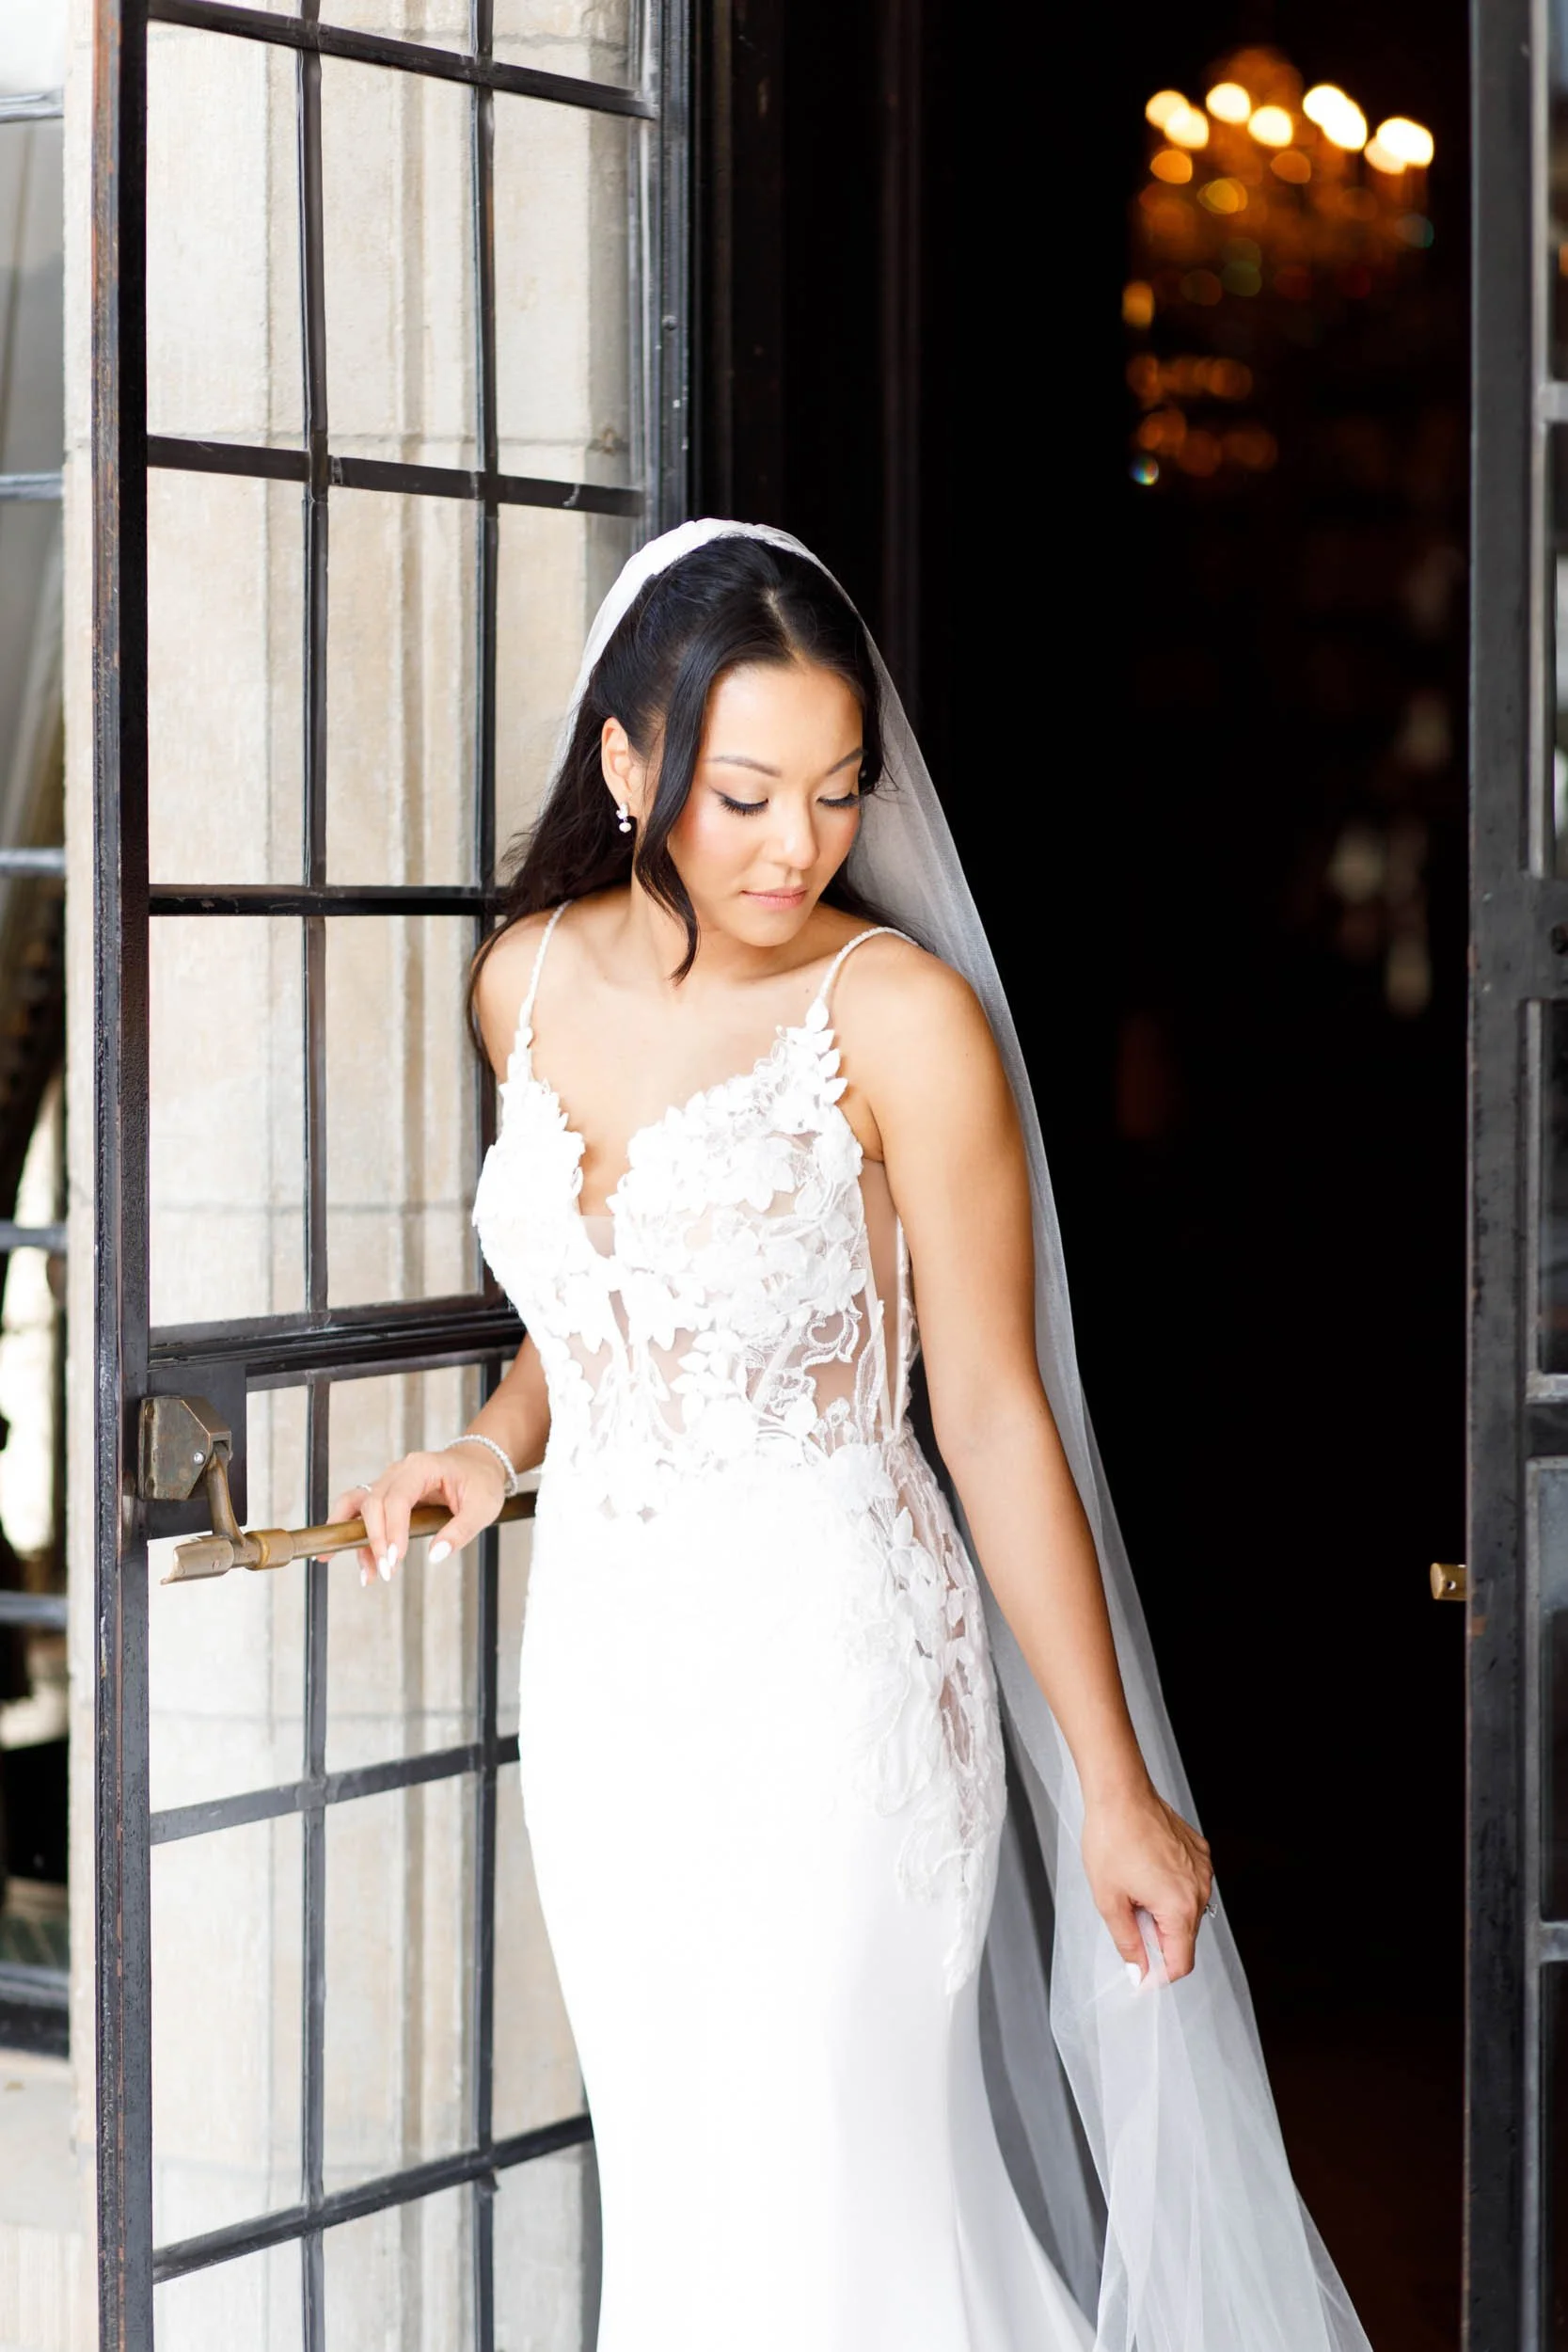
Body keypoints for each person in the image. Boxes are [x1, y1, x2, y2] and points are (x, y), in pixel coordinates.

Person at [333, 523, 1371, 2352]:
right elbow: (587, 1313)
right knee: (684, 2186)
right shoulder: (522, 982)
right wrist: (486, 1451)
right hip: (605, 1683)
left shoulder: (891, 1013)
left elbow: (985, 1404)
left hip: (838, 1678)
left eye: (830, 793)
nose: (792, 844)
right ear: (627, 762)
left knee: (832, 2173)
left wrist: (1116, 1785)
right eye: (740, 793)